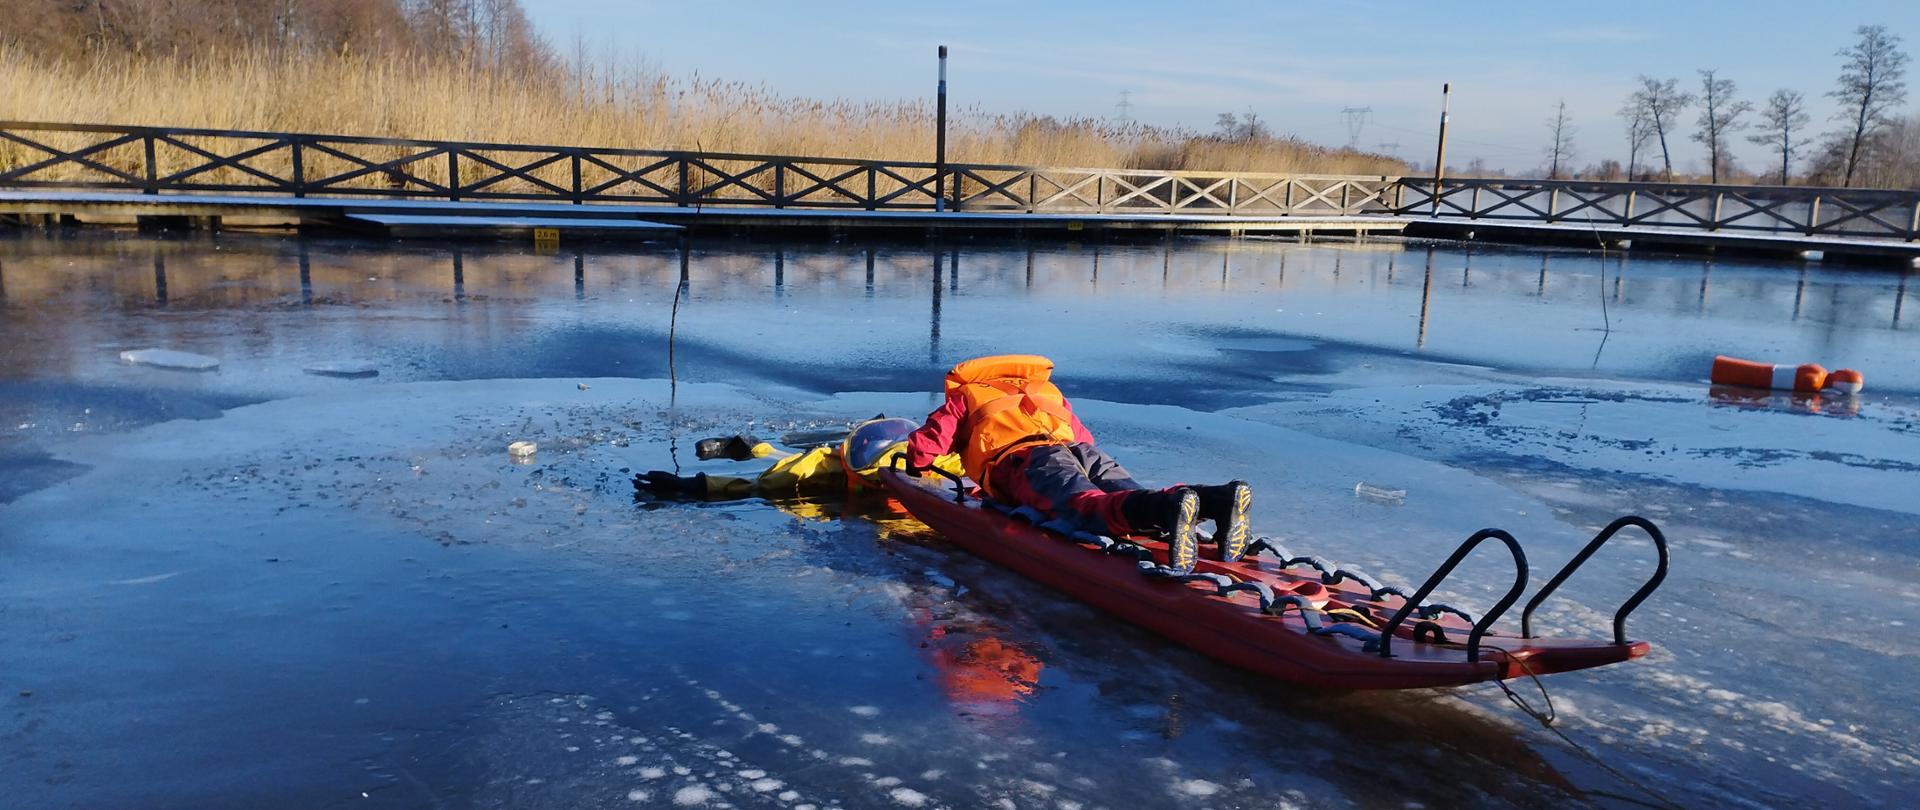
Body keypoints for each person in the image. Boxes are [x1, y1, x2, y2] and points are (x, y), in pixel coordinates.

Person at [900, 354, 1251, 559]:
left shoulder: (968, 395)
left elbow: (929, 444)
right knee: (1123, 495)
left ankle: (1171, 508)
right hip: (1079, 451)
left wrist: (913, 471)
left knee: (1085, 508)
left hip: (1027, 462)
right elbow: (1083, 438)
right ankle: (1217, 499)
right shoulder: (1044, 389)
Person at [633, 416, 963, 501]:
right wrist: (687, 485)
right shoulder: (826, 463)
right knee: (783, 460)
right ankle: (749, 446)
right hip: (854, 465)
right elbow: (756, 487)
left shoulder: (943, 459)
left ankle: (755, 447)